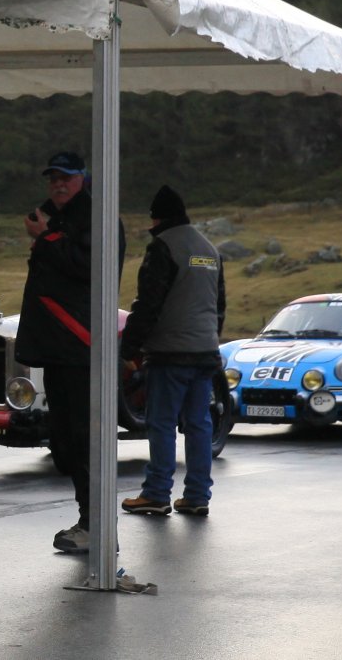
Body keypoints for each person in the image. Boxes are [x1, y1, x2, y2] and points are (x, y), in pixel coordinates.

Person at [12, 150, 124, 555]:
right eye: (52, 178)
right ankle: (89, 521)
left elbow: (89, 268)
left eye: (66, 177)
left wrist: (46, 237)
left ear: (82, 179)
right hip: (59, 347)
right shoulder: (58, 218)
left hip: (82, 345)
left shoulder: (98, 218)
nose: (58, 184)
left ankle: (97, 526)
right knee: (67, 441)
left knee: (86, 439)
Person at [119, 185, 225, 518]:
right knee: (198, 424)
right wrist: (209, 339)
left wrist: (129, 346)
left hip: (169, 354)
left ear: (157, 217)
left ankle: (156, 493)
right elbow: (219, 306)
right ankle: (197, 496)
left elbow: (148, 303)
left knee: (162, 423)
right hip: (205, 352)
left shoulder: (163, 246)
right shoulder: (210, 250)